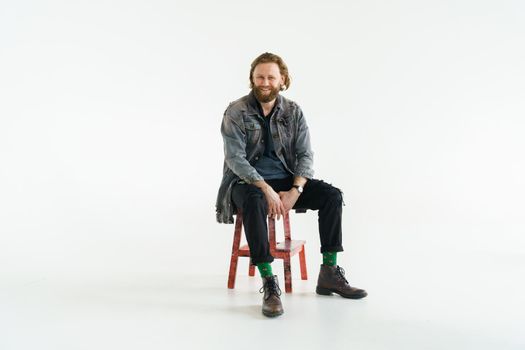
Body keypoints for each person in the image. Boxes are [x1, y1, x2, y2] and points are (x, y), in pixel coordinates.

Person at [216, 52, 367, 317]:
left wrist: (295, 190)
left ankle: (329, 273)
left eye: (271, 77)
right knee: (253, 200)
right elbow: (235, 158)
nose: (265, 82)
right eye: (259, 76)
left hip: (286, 180)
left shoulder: (293, 111)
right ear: (252, 78)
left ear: (282, 80)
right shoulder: (236, 111)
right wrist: (266, 190)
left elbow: (305, 155)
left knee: (331, 196)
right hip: (245, 182)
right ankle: (269, 282)